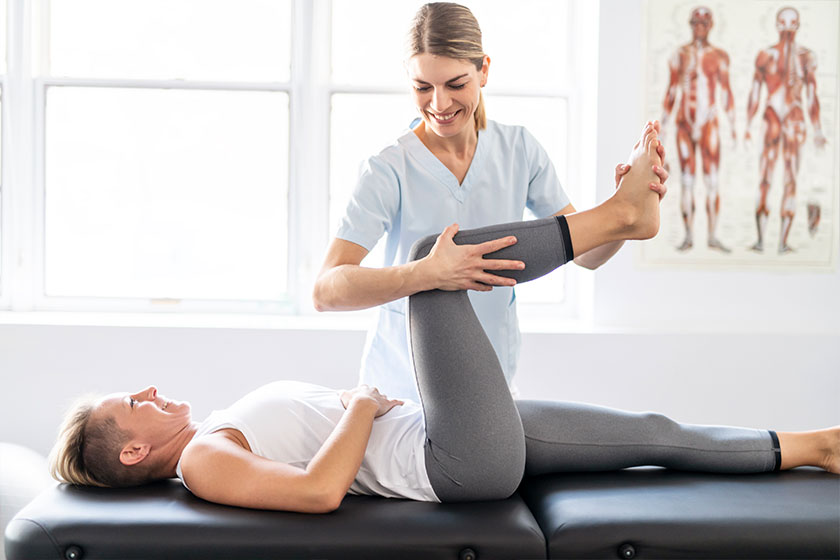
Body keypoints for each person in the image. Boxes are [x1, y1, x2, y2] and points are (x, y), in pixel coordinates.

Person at [49, 124, 840, 512]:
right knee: (434, 259)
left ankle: (815, 444)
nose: (148, 390)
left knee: (649, 431)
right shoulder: (201, 464)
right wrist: (359, 404)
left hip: (458, 436)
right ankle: (616, 216)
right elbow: (319, 493)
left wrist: (359, 411)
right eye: (134, 403)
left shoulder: (214, 433)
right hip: (449, 459)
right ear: (137, 450)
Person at [312, 2, 669, 403]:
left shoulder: (519, 149)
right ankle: (622, 212)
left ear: (484, 69)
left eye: (455, 84)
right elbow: (325, 290)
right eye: (423, 87)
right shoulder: (389, 168)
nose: (439, 104)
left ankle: (622, 213)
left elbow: (586, 256)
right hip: (401, 394)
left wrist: (621, 227)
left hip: (491, 391)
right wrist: (428, 273)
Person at [745, 6, 827, 254]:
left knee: (790, 178)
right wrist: (748, 124)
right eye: (784, 23)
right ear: (777, 25)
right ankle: (761, 240)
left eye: (792, 23)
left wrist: (817, 128)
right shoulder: (765, 55)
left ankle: (782, 242)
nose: (788, 28)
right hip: (771, 118)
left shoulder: (806, 57)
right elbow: (755, 91)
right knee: (765, 178)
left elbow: (812, 94)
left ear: (798, 26)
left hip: (794, 119)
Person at [661, 6, 735, 252]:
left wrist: (733, 125)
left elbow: (726, 92)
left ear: (710, 25)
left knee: (712, 181)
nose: (699, 28)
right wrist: (662, 126)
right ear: (691, 25)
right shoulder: (680, 54)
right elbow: (671, 91)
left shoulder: (720, 56)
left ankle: (712, 235)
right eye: (695, 23)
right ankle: (689, 235)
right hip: (685, 121)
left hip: (709, 123)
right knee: (687, 181)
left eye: (703, 24)